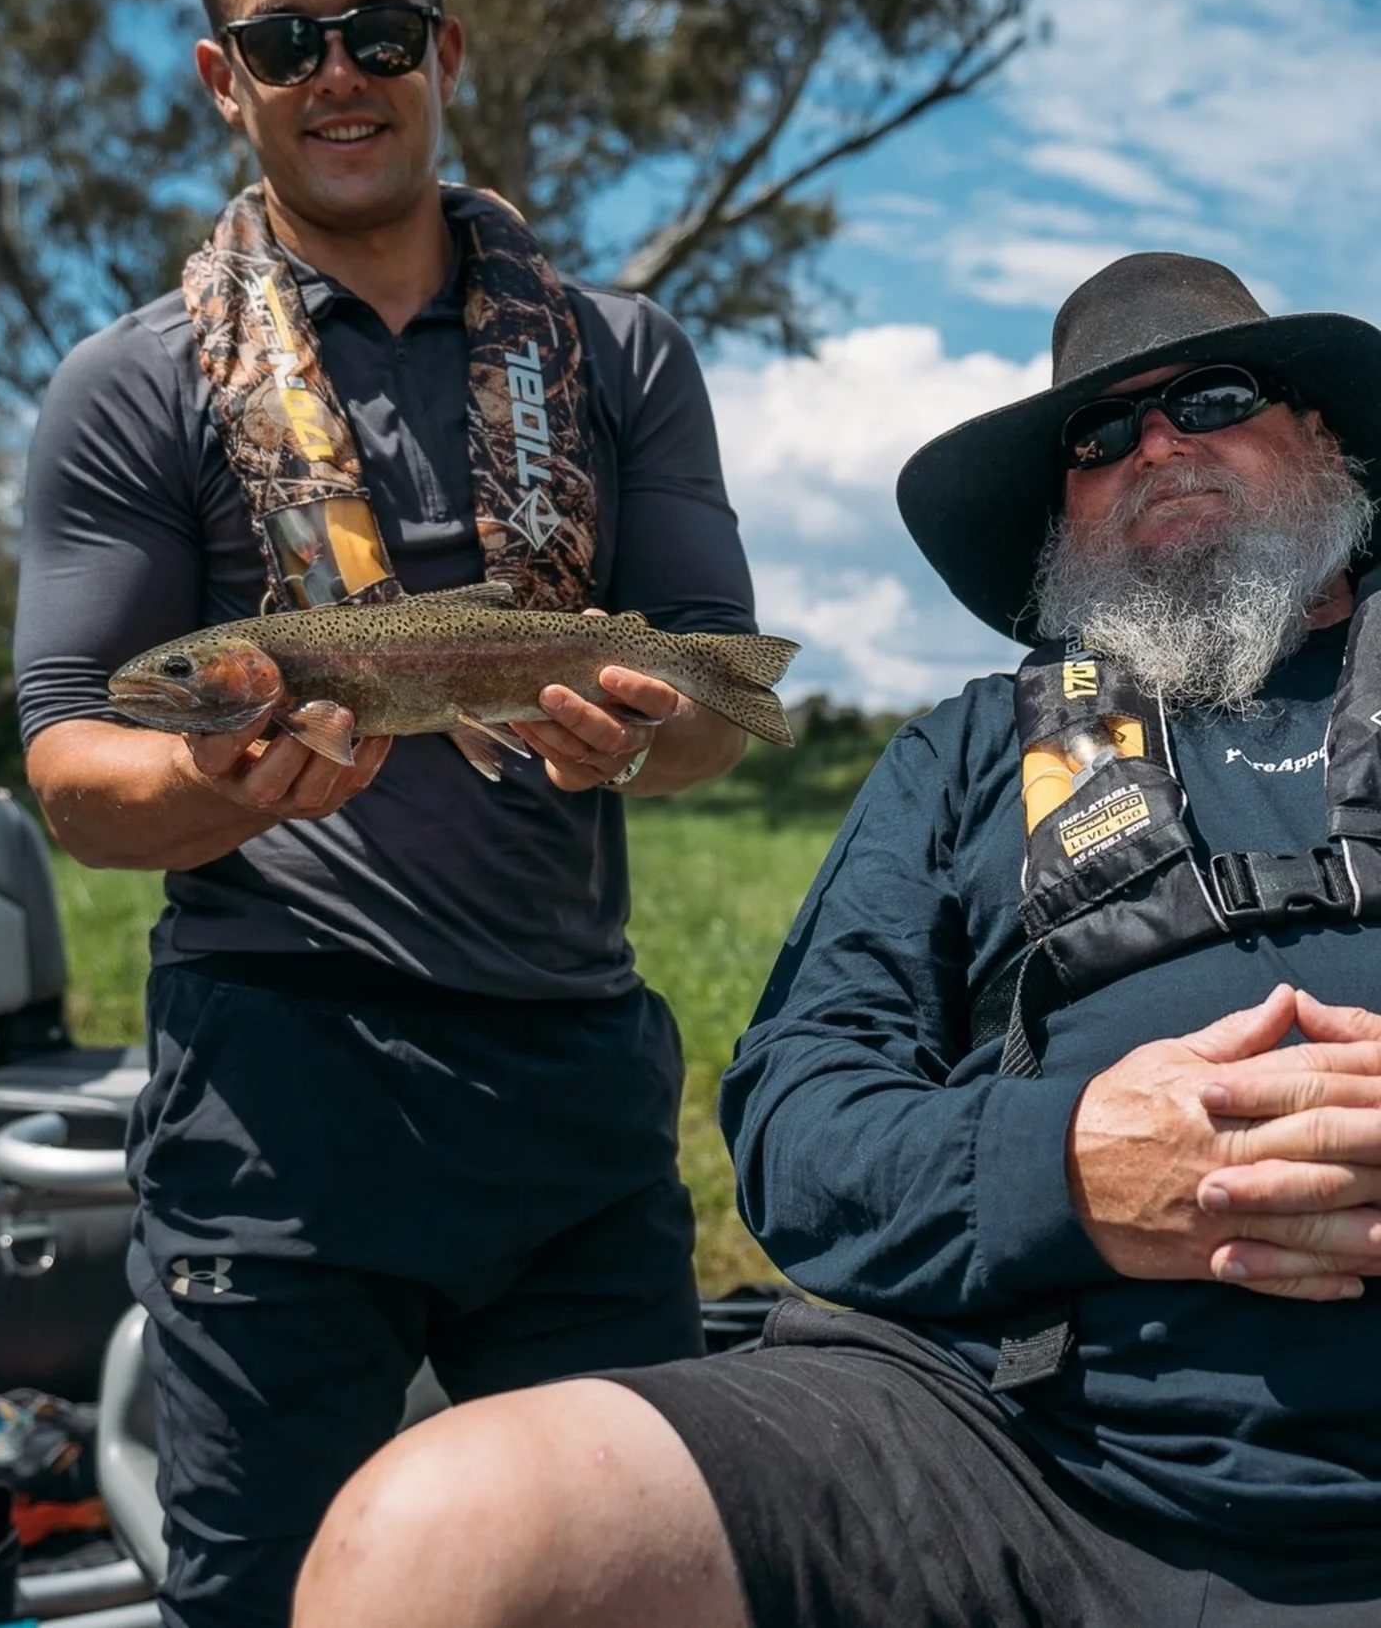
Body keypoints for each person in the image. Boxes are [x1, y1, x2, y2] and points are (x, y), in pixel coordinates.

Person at [293, 251, 1381, 1628]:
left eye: (1212, 396)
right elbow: (797, 1125)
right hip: (1020, 1458)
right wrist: (1069, 1169)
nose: (1153, 444)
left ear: (1327, 439)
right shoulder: (969, 753)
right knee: (433, 1540)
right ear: (1064, 513)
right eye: (1098, 438)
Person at [13, 0, 761, 1625]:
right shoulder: (135, 385)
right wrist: (208, 780)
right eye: (285, 45)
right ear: (223, 80)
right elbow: (67, 760)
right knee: (269, 1596)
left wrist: (642, 734)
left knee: (627, 1587)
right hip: (278, 1097)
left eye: (377, 31)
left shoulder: (619, 351)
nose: (336, 74)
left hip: (572, 1085)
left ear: (446, 49)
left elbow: (721, 700)